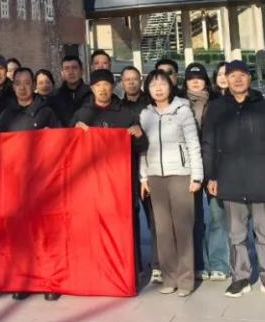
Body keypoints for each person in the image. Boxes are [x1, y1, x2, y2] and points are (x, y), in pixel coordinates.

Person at [201, 60, 265, 299]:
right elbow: (208, 144)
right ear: (226, 80)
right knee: (236, 234)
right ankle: (240, 277)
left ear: (250, 78)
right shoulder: (217, 107)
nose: (237, 80)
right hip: (229, 177)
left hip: (262, 177)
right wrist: (211, 176)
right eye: (232, 76)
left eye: (242, 75)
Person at [0, 67, 61, 300]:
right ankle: (23, 281)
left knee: (45, 233)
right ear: (13, 87)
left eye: (26, 83)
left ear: (34, 85)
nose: (22, 87)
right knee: (20, 234)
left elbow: (62, 142)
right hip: (15, 183)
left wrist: (50, 137)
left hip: (42, 182)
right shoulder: (6, 115)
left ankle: (49, 282)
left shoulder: (46, 112)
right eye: (18, 84)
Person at [74, 70, 148, 274]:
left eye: (106, 85)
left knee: (126, 223)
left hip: (121, 181)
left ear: (113, 87)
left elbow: (141, 146)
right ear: (92, 88)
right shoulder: (82, 114)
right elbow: (69, 149)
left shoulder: (126, 113)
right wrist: (75, 133)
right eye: (98, 85)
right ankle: (95, 268)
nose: (102, 89)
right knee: (93, 224)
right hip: (91, 182)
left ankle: (132, 267)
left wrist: (139, 135)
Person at [138, 70, 203, 296]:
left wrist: (196, 176)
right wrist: (143, 177)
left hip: (180, 174)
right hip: (155, 176)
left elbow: (193, 144)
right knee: (163, 230)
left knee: (183, 228)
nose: (158, 88)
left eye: (162, 84)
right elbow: (142, 150)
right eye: (153, 85)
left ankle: (185, 281)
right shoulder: (145, 114)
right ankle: (169, 278)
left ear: (170, 87)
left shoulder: (182, 110)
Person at [184, 63, 230, 283]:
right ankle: (199, 263)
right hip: (189, 167)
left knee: (218, 215)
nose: (195, 82)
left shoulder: (217, 102)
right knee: (194, 218)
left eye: (199, 78)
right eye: (191, 78)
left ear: (206, 81)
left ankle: (219, 263)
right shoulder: (179, 104)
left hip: (214, 165)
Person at [118, 66, 158, 282]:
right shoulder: (118, 107)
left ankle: (158, 263)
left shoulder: (151, 104)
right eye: (127, 79)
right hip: (125, 170)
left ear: (140, 81)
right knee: (129, 220)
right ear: (122, 83)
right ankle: (136, 265)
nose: (131, 83)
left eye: (135, 79)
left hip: (150, 168)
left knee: (154, 218)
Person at [49, 54, 90, 126]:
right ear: (62, 73)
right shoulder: (53, 96)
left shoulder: (91, 94)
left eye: (74, 68)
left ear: (81, 71)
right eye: (66, 69)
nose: (71, 72)